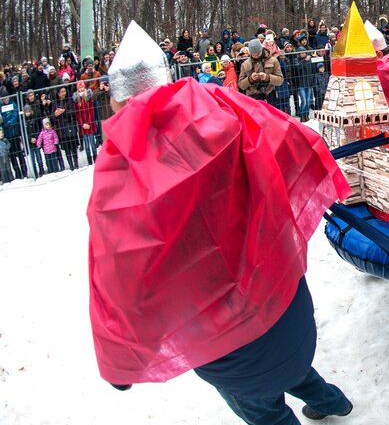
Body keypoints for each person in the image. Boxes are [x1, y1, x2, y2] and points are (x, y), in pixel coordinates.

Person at [88, 21, 353, 425]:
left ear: (118, 99)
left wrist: (120, 354)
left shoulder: (123, 164)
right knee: (291, 365)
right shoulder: (219, 105)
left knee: (262, 406)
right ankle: (333, 403)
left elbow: (119, 266)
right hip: (280, 295)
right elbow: (288, 138)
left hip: (221, 335)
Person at [238, 38, 284, 107]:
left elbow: (280, 80)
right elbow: (241, 85)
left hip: (270, 95)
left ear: (261, 49)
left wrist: (267, 77)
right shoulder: (245, 64)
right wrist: (250, 79)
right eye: (254, 54)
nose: (256, 56)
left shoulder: (273, 60)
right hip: (253, 98)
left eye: (258, 53)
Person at [73, 81, 99, 165]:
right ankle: (89, 161)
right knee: (87, 145)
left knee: (92, 143)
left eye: (82, 87)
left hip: (90, 124)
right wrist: (82, 124)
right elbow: (77, 114)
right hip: (83, 126)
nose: (80, 89)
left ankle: (95, 159)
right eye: (79, 88)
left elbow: (92, 111)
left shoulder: (88, 98)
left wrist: (89, 123)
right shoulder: (77, 101)